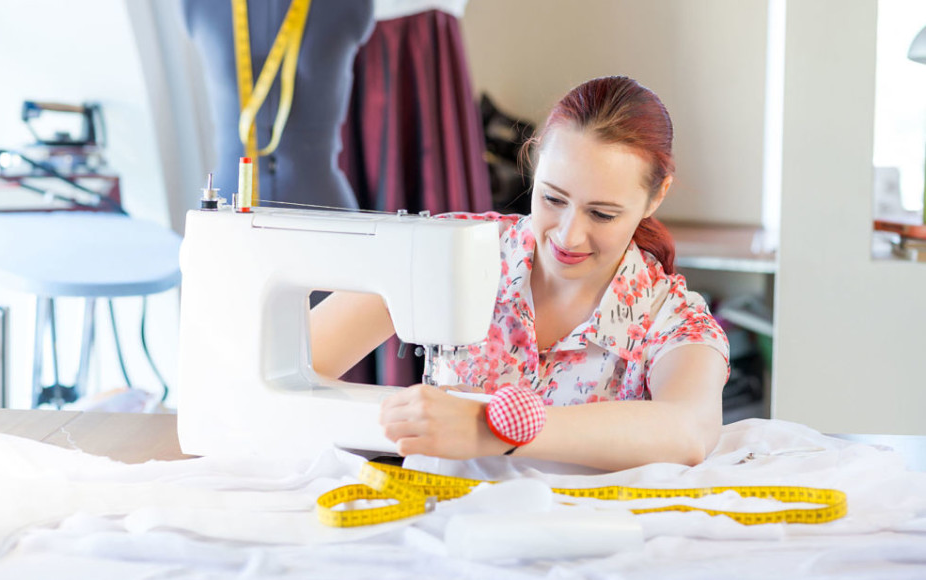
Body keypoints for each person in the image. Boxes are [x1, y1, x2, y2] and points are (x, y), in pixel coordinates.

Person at [311, 76, 729, 472]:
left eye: (602, 214)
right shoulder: (457, 252)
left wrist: (498, 426)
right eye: (552, 198)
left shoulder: (672, 317)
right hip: (443, 530)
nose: (568, 234)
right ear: (534, 163)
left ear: (657, 195)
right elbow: (295, 363)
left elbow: (687, 429)